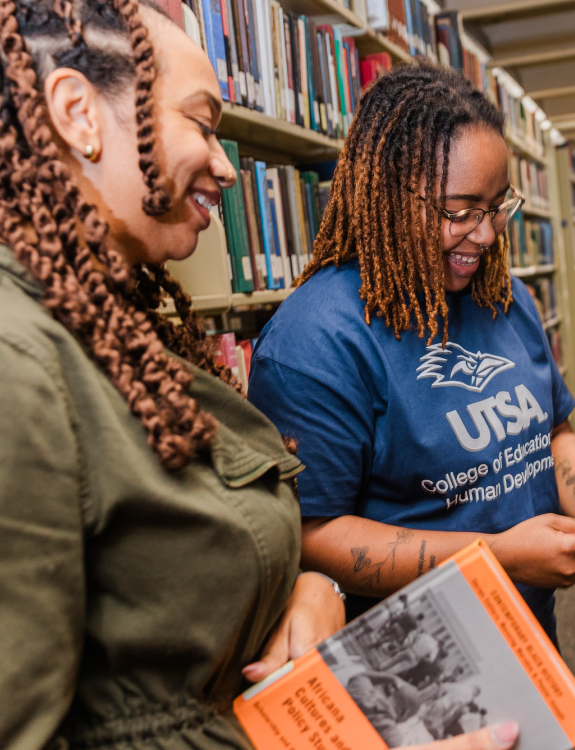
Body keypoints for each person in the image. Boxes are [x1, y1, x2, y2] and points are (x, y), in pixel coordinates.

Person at [0, 2, 517, 749]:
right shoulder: (19, 362)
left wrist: (310, 585)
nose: (226, 165)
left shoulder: (117, 322)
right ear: (79, 114)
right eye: (202, 123)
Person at [247, 63, 575, 634]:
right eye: (459, 211)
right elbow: (313, 533)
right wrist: (498, 556)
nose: (484, 235)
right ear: (389, 198)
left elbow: (552, 432)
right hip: (419, 662)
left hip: (528, 629)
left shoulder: (505, 297)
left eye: (498, 207)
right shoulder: (316, 341)